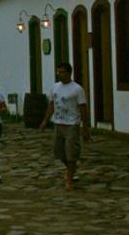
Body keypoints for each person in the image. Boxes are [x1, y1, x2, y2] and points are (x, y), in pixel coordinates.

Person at [39, 62, 91, 190]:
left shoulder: (77, 89)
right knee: (59, 152)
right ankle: (70, 171)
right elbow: (52, 104)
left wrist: (85, 128)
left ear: (68, 73)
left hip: (72, 124)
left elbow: (83, 109)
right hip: (58, 123)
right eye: (58, 72)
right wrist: (46, 120)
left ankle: (69, 178)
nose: (59, 74)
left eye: (62, 72)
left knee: (71, 152)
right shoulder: (55, 87)